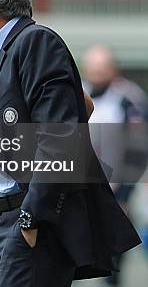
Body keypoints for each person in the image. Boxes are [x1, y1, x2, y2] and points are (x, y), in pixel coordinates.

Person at [0, 0, 141, 287]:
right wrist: (2, 189)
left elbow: (62, 137)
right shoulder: (7, 50)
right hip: (9, 221)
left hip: (28, 228)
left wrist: (30, 216)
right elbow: (82, 107)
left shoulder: (35, 42)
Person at [82, 45, 148, 286]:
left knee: (112, 262)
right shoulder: (80, 92)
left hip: (115, 190)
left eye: (102, 69)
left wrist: (125, 195)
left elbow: (138, 151)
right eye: (92, 69)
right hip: (81, 189)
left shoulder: (128, 98)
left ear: (113, 69)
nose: (97, 74)